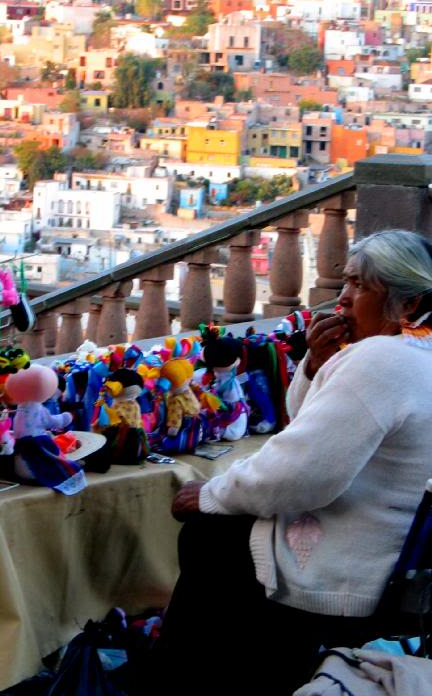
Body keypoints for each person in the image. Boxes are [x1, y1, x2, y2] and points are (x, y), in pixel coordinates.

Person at [148, 230, 432, 695]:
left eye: (360, 286)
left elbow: (302, 474)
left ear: (407, 303)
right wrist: (317, 365)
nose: (341, 300)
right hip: (402, 567)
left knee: (211, 535)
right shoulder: (410, 352)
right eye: (345, 283)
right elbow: (309, 430)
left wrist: (212, 495)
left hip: (349, 573)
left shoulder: (383, 358)